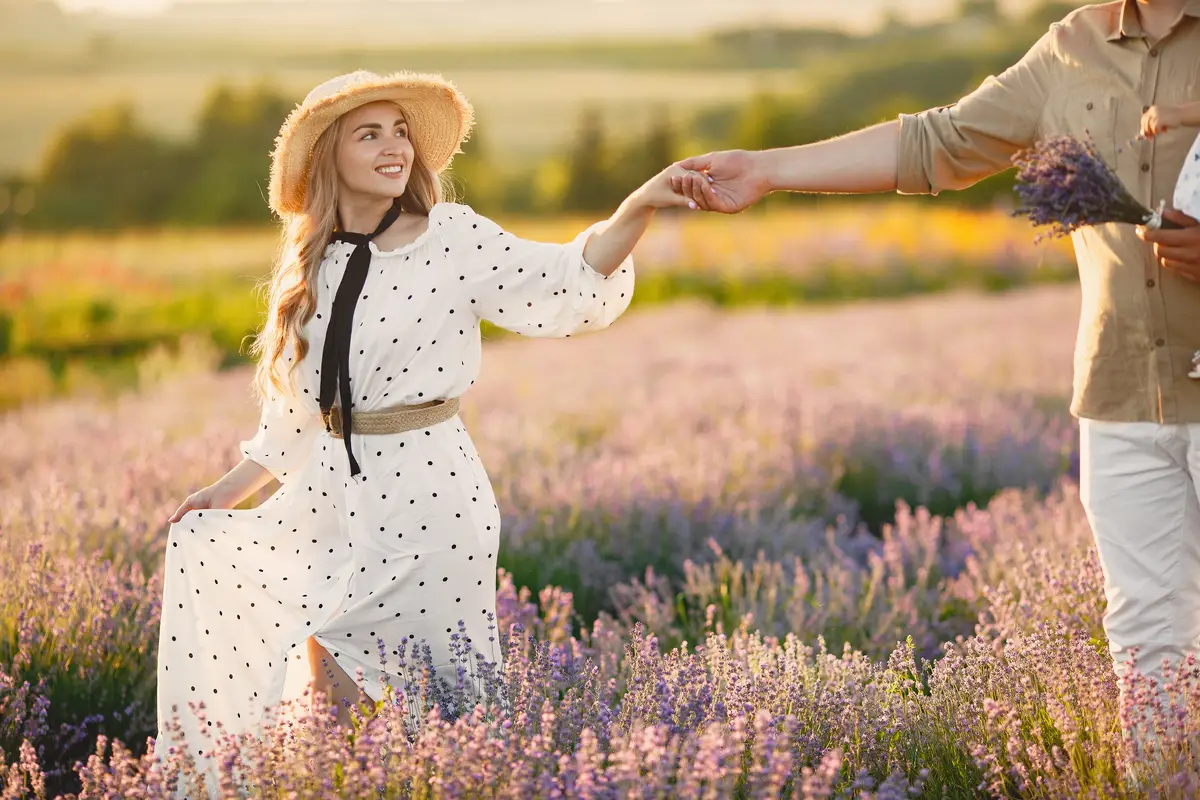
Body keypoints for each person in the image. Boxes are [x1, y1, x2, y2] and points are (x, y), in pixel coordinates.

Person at [673, 0, 1200, 775]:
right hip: (1122, 392)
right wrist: (770, 170)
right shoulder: (1071, 46)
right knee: (1149, 638)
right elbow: (939, 142)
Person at [155, 69, 694, 788]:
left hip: (429, 500)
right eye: (369, 133)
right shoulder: (310, 258)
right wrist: (227, 489)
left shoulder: (449, 237)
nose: (393, 147)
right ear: (329, 158)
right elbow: (294, 413)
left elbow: (565, 276)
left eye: (400, 131)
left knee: (424, 698)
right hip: (331, 509)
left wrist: (638, 205)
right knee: (326, 699)